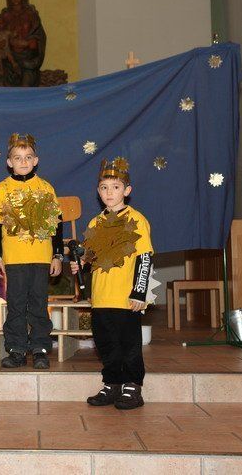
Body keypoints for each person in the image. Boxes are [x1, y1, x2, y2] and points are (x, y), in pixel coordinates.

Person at [71, 157, 153, 410]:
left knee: (128, 344)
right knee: (106, 343)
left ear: (127, 191)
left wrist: (139, 292)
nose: (109, 192)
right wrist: (81, 263)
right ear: (98, 191)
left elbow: (145, 258)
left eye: (116, 187)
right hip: (101, 298)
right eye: (104, 187)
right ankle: (112, 383)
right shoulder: (95, 223)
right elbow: (92, 256)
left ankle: (132, 386)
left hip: (126, 298)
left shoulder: (137, 220)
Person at [0, 133, 63, 369]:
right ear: (9, 162)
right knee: (17, 305)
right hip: (14, 259)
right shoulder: (1, 189)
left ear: (35, 160)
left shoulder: (46, 188)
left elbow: (56, 225)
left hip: (41, 257)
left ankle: (40, 348)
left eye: (28, 157)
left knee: (39, 304)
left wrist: (57, 255)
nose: (23, 162)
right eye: (18, 158)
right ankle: (17, 349)